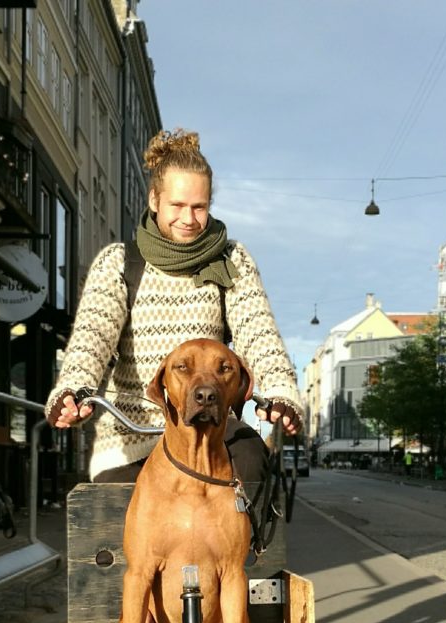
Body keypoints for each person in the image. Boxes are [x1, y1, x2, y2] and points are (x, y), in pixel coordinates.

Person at [45, 129, 302, 485]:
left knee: (251, 460)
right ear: (154, 200)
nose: (189, 219)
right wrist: (73, 390)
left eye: (199, 207)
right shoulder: (119, 264)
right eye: (177, 206)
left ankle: (251, 544)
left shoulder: (231, 261)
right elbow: (92, 338)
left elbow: (257, 332)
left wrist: (280, 392)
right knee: (109, 512)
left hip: (209, 431)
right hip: (135, 437)